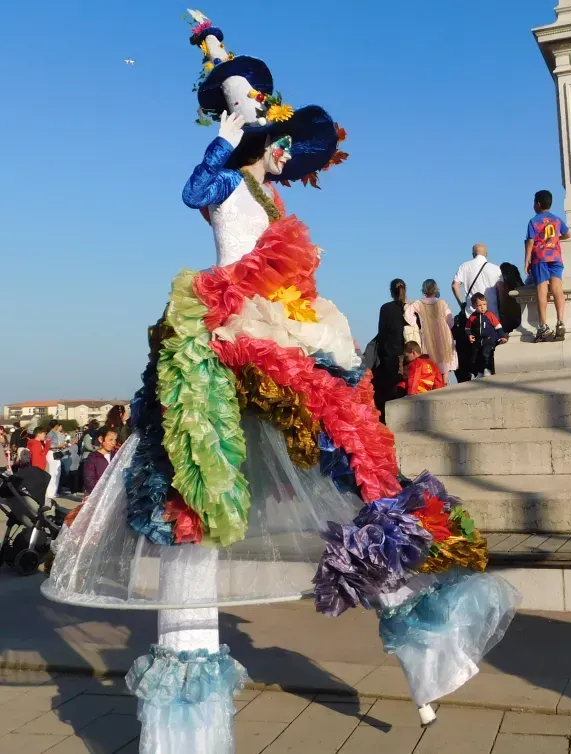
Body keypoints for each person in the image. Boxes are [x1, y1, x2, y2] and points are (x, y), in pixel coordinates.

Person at [43, 11, 516, 745]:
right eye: (274, 136)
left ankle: (426, 651)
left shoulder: (272, 199)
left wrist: (223, 68)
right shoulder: (228, 182)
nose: (284, 149)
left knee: (351, 476)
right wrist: (225, 129)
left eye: (281, 137)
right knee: (197, 495)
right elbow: (194, 191)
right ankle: (186, 728)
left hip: (289, 336)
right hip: (228, 338)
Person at [452, 244, 503, 383]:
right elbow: (501, 289)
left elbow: (455, 285)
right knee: (490, 345)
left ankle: (479, 372)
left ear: (473, 254)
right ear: (486, 254)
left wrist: (462, 303)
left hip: (472, 315)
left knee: (475, 347)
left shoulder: (464, 266)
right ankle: (489, 370)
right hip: (492, 314)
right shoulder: (495, 268)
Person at [525, 190, 571, 343]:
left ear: (538, 204)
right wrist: (556, 238)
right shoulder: (556, 219)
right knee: (557, 288)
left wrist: (527, 260)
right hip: (555, 257)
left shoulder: (534, 221)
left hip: (540, 258)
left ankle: (543, 325)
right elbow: (568, 234)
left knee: (542, 289)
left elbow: (530, 242)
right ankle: (560, 322)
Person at [405, 279, 458, 377]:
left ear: (423, 290)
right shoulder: (442, 302)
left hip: (428, 331)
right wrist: (448, 327)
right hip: (443, 331)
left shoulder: (419, 303)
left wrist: (414, 323)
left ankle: (435, 381)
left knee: (431, 358)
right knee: (444, 357)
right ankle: (445, 380)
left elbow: (408, 315)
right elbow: (450, 320)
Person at [372, 279, 408, 421]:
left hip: (390, 356)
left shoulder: (385, 308)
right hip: (407, 356)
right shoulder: (410, 309)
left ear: (391, 292)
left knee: (387, 392)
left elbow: (382, 334)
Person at [465, 293, 508, 379]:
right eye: (479, 305)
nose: (482, 307)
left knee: (486, 354)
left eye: (484, 304)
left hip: (489, 340)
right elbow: (467, 328)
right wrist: (469, 335)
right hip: (478, 341)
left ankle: (487, 369)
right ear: (474, 306)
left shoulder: (490, 315)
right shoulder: (472, 317)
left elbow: (498, 327)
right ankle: (480, 372)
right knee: (477, 356)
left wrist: (502, 336)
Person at [82, 428, 118, 501]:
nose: (113, 443)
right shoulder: (93, 458)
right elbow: (89, 479)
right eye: (110, 440)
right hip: (97, 496)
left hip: (113, 496)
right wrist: (100, 492)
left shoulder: (116, 456)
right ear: (101, 439)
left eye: (115, 440)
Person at [497, 262, 525, 333]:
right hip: (519, 314)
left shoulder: (505, 284)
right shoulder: (521, 285)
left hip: (508, 314)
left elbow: (502, 297)